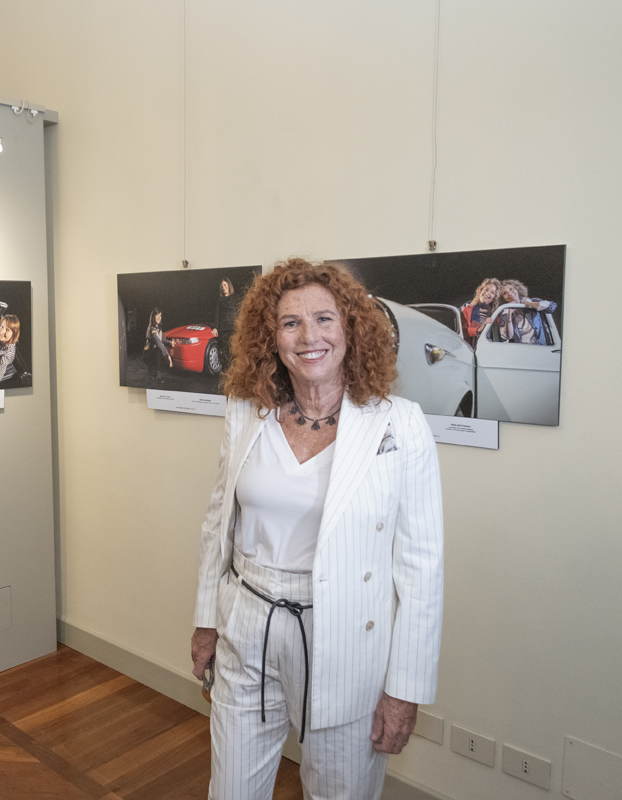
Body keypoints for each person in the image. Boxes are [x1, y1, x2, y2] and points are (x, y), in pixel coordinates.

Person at [191, 258, 443, 800]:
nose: (310, 337)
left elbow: (422, 569)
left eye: (325, 319)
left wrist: (404, 690)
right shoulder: (245, 411)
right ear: (271, 338)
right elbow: (219, 523)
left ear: (351, 329)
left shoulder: (400, 424)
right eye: (290, 323)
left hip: (346, 639)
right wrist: (206, 622)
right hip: (248, 620)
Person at [496, 280, 558, 345]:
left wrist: (529, 304)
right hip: (521, 350)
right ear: (503, 298)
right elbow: (508, 336)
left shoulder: (532, 301)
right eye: (505, 293)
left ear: (516, 289)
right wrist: (509, 314)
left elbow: (551, 307)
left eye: (511, 289)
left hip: (540, 347)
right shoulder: (504, 312)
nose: (510, 293)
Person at [459, 278, 500, 346]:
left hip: (491, 347)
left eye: (492, 292)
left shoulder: (497, 313)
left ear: (495, 297)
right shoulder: (466, 309)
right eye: (486, 289)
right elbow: (462, 331)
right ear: (481, 291)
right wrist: (479, 329)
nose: (487, 293)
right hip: (470, 347)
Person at [215, 278, 240, 367]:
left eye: (225, 285)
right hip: (223, 328)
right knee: (225, 350)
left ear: (229, 286)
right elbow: (217, 314)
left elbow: (239, 312)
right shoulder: (219, 299)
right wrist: (215, 327)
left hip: (234, 327)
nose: (223, 288)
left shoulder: (236, 298)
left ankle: (234, 369)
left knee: (234, 349)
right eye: (222, 286)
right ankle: (226, 369)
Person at [143, 307, 172, 383]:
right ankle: (157, 376)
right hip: (148, 354)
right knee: (159, 349)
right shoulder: (152, 329)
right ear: (153, 317)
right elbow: (158, 342)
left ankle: (155, 373)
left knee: (160, 350)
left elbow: (162, 339)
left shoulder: (159, 328)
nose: (159, 317)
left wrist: (170, 342)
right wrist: (168, 355)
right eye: (157, 315)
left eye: (160, 315)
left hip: (155, 353)